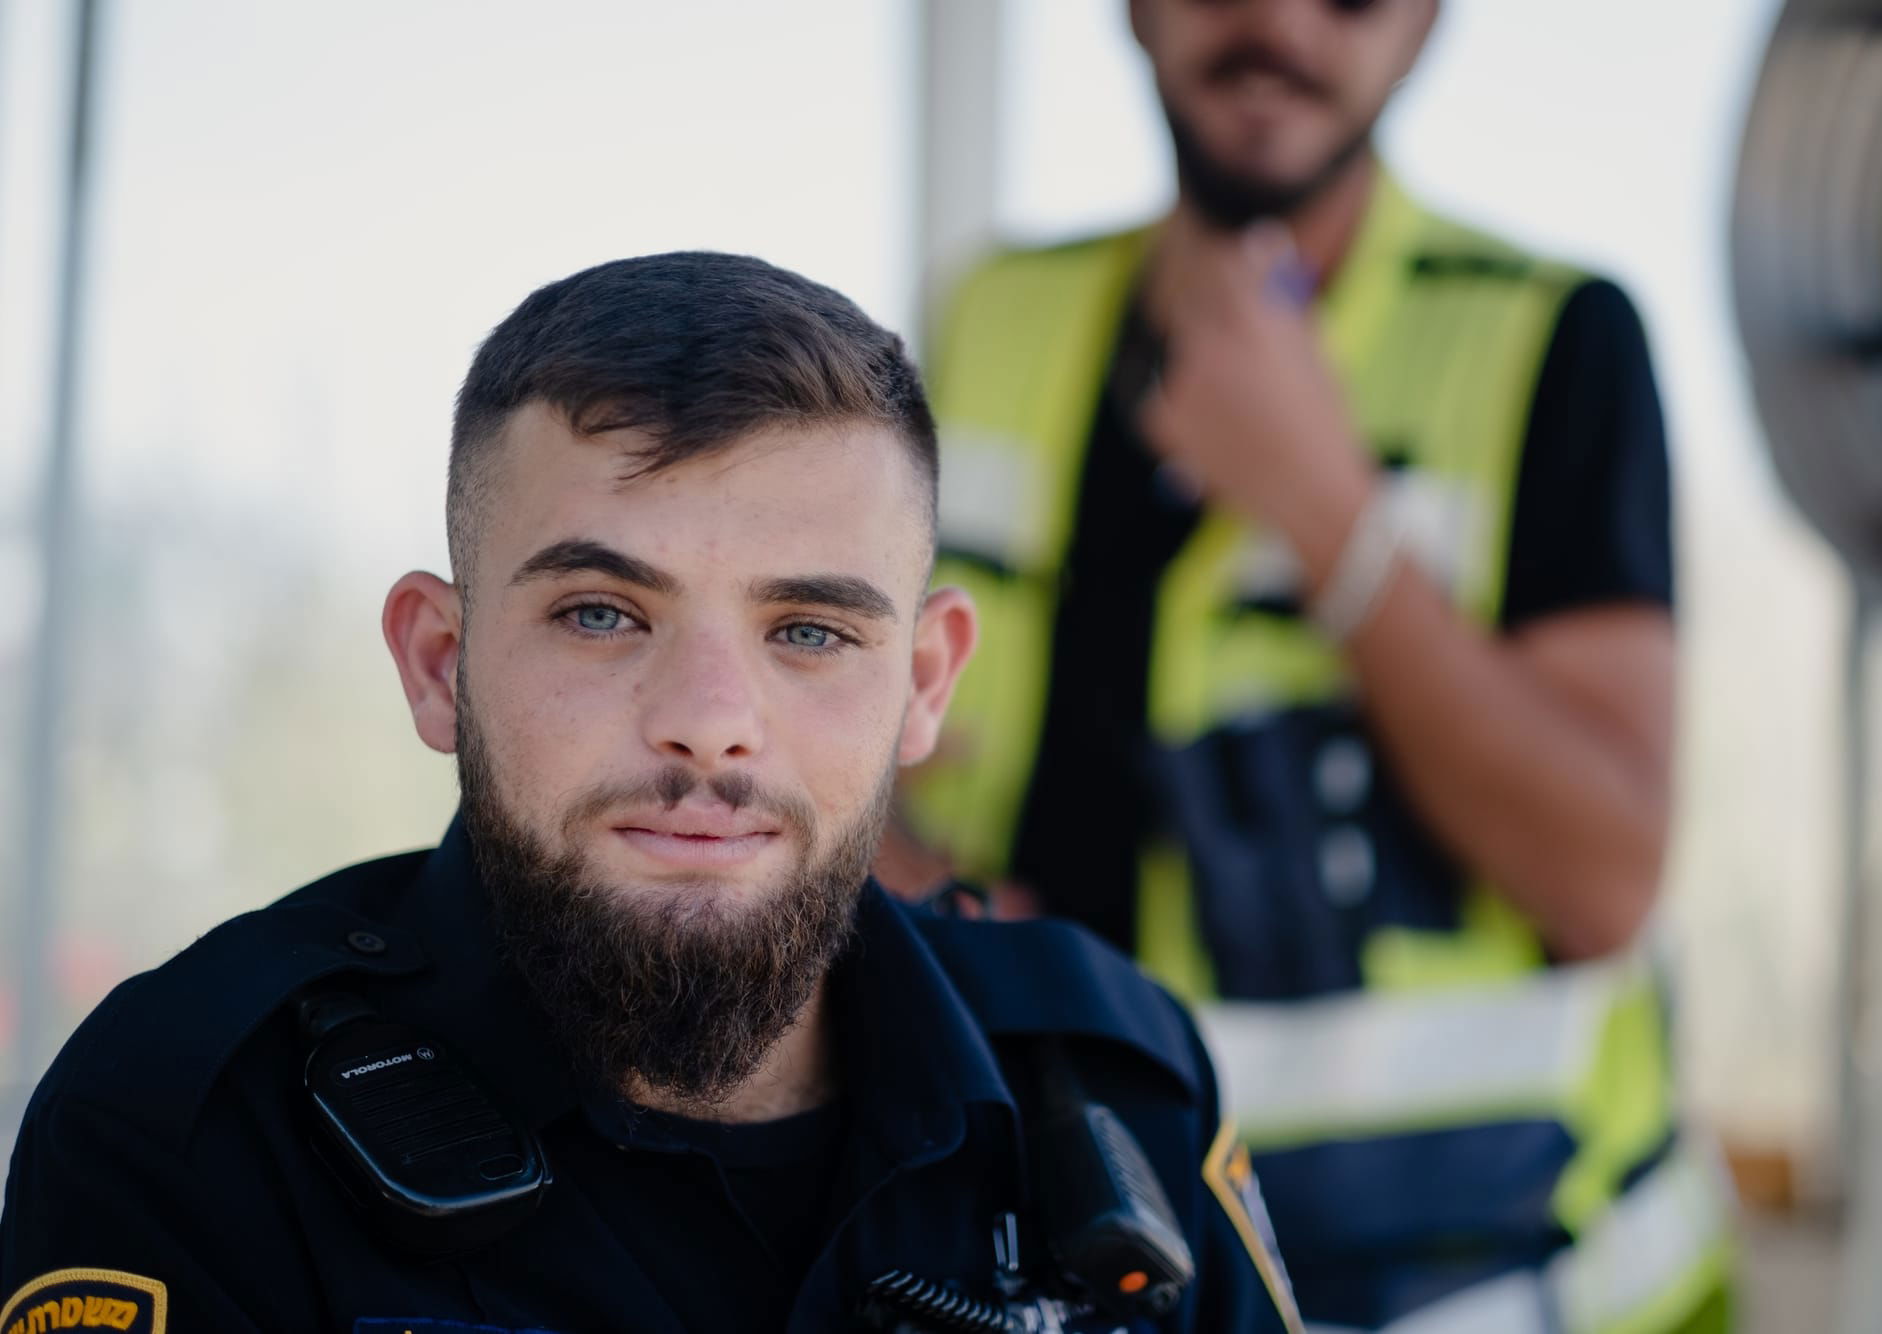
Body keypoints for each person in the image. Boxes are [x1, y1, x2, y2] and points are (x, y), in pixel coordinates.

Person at [0, 253, 1305, 1334]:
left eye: (808, 631)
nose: (709, 725)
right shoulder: (192, 1129)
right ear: (441, 662)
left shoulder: (1117, 1088)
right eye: (601, 612)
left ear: (922, 680)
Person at [885, 1, 1734, 1330]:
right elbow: (830, 719)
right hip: (1080, 1256)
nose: (1277, 21)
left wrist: (1324, 511)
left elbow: (1603, 872)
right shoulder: (994, 313)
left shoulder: (1554, 338)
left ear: (1428, 23)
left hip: (1488, 1285)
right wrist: (926, 888)